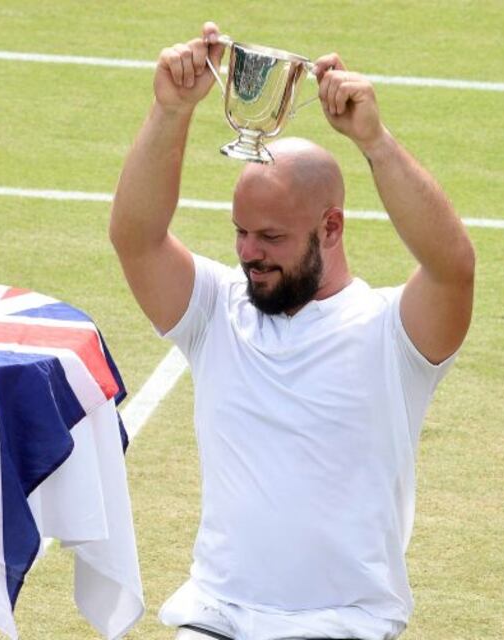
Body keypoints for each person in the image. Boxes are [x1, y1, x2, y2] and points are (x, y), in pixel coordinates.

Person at [109, 22, 475, 640]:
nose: (249, 253)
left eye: (272, 237)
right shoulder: (215, 310)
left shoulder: (395, 336)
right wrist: (170, 112)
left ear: (331, 228)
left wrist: (376, 142)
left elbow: (453, 267)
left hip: (343, 626)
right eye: (240, 231)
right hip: (214, 617)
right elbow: (135, 238)